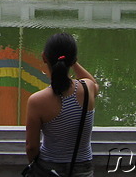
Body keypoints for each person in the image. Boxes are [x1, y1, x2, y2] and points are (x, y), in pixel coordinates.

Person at [24, 33, 99, 177]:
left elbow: (31, 147)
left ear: (44, 57)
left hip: (49, 168)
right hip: (83, 168)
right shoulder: (87, 89)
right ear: (73, 60)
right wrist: (72, 61)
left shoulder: (37, 101)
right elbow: (94, 83)